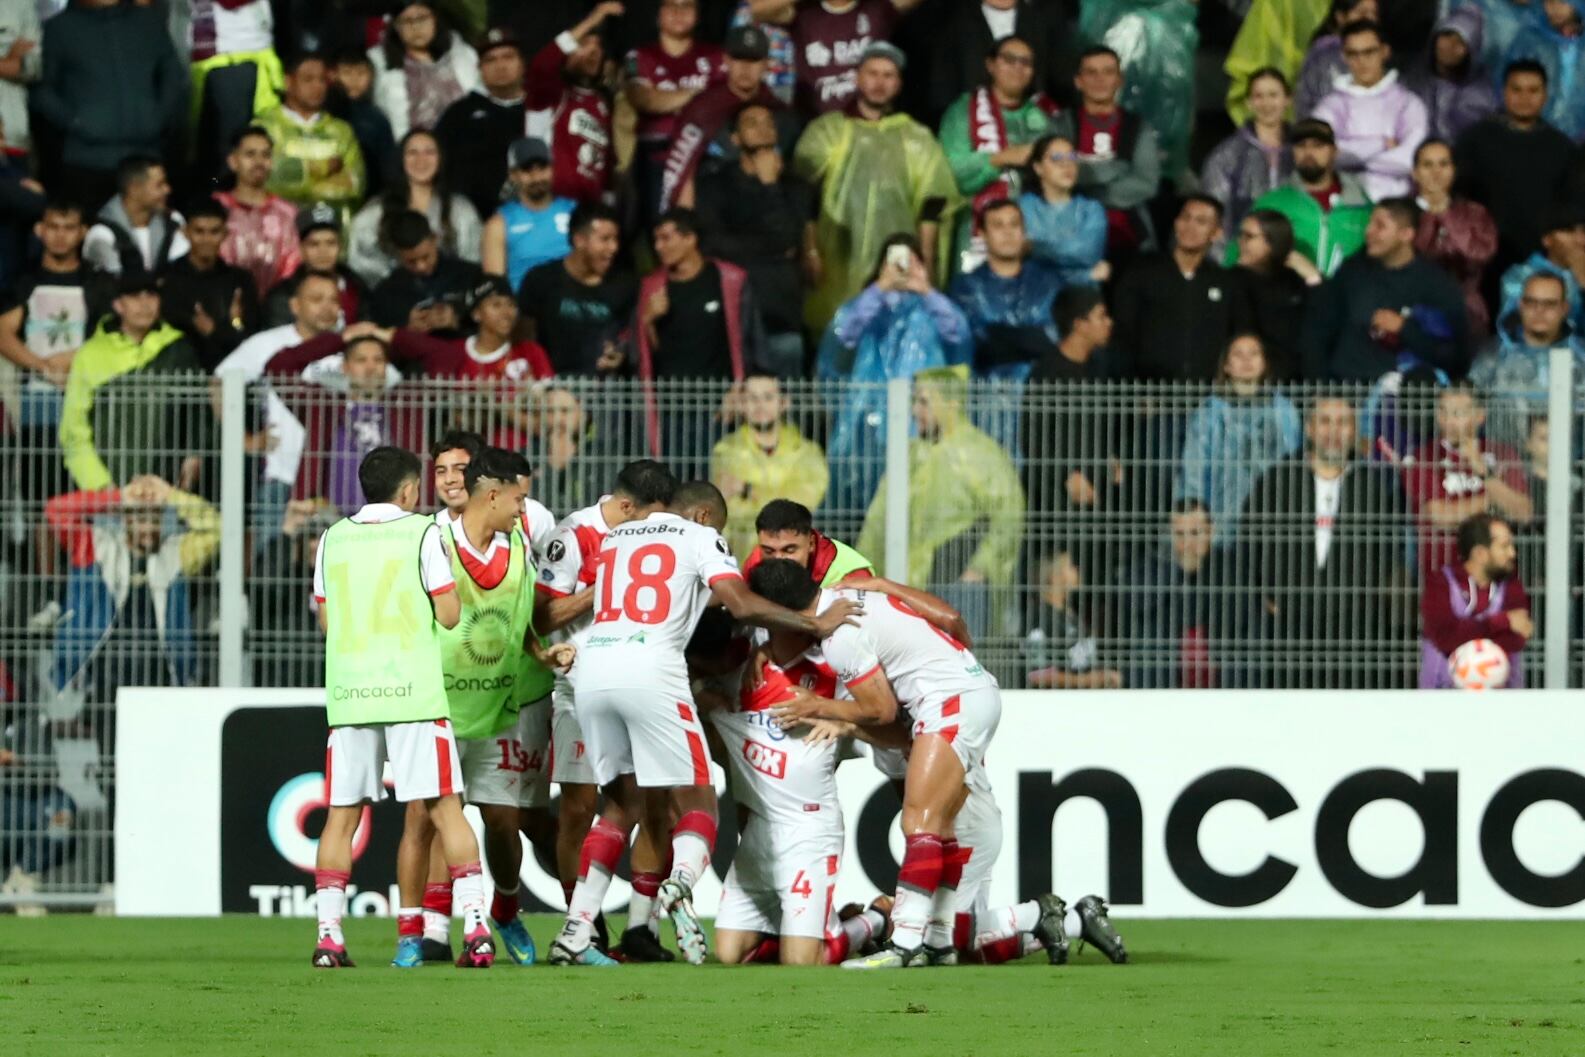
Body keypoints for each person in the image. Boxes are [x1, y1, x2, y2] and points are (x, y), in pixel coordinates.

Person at [548, 481, 860, 967]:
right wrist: (815, 625)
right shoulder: (697, 537)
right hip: (652, 672)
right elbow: (739, 603)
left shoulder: (615, 539)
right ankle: (681, 885)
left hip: (592, 671)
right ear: (701, 516)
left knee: (621, 803)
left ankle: (575, 929)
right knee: (697, 794)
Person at [750, 556, 998, 969]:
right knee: (940, 824)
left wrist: (819, 706)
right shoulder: (846, 596)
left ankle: (904, 943)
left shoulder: (840, 636)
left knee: (918, 821)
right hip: (966, 693)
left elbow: (880, 710)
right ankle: (937, 941)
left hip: (950, 702)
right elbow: (949, 622)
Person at [309, 445, 495, 970]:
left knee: (341, 816)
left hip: (349, 694)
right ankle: (477, 930)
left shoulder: (331, 538)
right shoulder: (423, 533)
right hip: (412, 692)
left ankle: (329, 939)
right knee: (445, 809)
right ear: (410, 490)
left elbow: (326, 621)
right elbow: (450, 612)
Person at [390, 447, 575, 968]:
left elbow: (520, 619)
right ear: (491, 495)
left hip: (497, 708)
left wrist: (542, 650)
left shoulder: (518, 545)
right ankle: (421, 933)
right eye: (517, 499)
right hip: (436, 704)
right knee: (423, 818)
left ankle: (506, 909)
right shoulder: (430, 541)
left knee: (500, 819)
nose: (524, 509)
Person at [531, 461, 686, 963]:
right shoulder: (573, 537)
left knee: (650, 801)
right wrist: (603, 590)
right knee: (578, 806)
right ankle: (584, 924)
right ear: (625, 507)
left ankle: (641, 927)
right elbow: (542, 615)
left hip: (640, 684)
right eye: (645, 518)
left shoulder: (654, 534)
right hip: (580, 687)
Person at [1239, 396, 1412, 689]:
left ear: (1355, 431)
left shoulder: (1371, 484)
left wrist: (1365, 594)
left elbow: (1386, 547)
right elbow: (1251, 538)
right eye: (1325, 422)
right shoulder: (1279, 478)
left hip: (1353, 623)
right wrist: (1262, 590)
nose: (1334, 431)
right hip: (1288, 619)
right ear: (1309, 429)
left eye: (1343, 422)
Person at [794, 41, 957, 331]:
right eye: (872, 73)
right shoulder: (828, 130)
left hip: (898, 259)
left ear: (899, 84)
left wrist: (927, 263)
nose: (879, 83)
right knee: (839, 333)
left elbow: (932, 205)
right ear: (857, 77)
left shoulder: (916, 137)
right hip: (836, 259)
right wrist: (810, 249)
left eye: (888, 75)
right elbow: (805, 193)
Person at [856, 367, 1025, 641]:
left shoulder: (981, 455)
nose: (914, 411)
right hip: (904, 585)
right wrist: (861, 570)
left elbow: (1008, 518)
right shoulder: (910, 454)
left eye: (924, 402)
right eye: (914, 402)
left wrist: (979, 568)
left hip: (955, 584)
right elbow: (878, 519)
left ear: (951, 403)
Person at [817, 236, 971, 512]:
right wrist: (880, 289)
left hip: (921, 420)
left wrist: (926, 291)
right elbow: (842, 336)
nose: (903, 269)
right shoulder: (867, 306)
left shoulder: (932, 309)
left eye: (912, 262)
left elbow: (958, 335)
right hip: (865, 424)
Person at [46, 474, 218, 703]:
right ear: (126, 519)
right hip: (104, 678)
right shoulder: (99, 547)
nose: (149, 528)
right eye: (141, 519)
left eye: (155, 519)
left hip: (159, 677)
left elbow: (217, 527)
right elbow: (55, 510)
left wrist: (170, 495)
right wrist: (118, 497)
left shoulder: (176, 553)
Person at [0, 201, 112, 526]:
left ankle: (82, 571)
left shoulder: (98, 282)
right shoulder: (24, 279)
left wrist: (74, 362)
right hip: (37, 397)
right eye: (53, 227)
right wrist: (41, 366)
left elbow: (110, 336)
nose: (60, 236)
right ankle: (45, 576)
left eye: (68, 228)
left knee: (88, 489)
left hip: (88, 398)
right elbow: (4, 333)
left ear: (83, 233)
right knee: (40, 491)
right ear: (40, 230)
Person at [213, 271, 345, 546]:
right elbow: (220, 382)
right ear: (295, 306)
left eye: (333, 300)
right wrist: (243, 439)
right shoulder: (268, 343)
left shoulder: (350, 348)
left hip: (337, 479)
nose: (327, 307)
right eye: (316, 299)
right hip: (281, 475)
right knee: (271, 567)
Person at [58, 273, 206, 493]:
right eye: (135, 296)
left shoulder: (179, 348)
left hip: (167, 490)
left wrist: (194, 456)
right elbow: (73, 428)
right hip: (108, 490)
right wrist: (100, 484)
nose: (145, 304)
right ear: (118, 304)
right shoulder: (91, 354)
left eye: (151, 295)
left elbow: (197, 411)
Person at [694, 103, 812, 376]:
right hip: (729, 309)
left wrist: (770, 186)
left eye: (769, 123)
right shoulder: (713, 185)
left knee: (782, 401)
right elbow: (713, 244)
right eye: (752, 123)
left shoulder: (795, 186)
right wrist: (770, 249)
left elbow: (788, 238)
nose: (763, 129)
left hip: (779, 310)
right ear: (734, 138)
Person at [33, 0, 186, 211]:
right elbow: (42, 89)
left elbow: (173, 77)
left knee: (149, 239)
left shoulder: (149, 22)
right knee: (91, 239)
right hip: (86, 162)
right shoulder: (59, 28)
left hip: (146, 161)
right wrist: (77, 123)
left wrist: (158, 118)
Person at [1301, 198, 1471, 382]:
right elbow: (1319, 330)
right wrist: (1320, 389)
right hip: (1346, 390)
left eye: (1380, 226)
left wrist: (1405, 328)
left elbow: (1454, 356)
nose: (1368, 231)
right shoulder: (1352, 272)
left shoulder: (1437, 285)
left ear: (1406, 234)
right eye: (1369, 224)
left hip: (1404, 397)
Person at [262, 324, 428, 509]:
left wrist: (394, 337)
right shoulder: (323, 406)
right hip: (332, 523)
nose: (370, 367)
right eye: (361, 360)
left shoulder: (407, 407)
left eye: (378, 360)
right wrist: (339, 340)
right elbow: (277, 367)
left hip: (395, 523)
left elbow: (443, 357)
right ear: (345, 367)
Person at [938, 35, 1063, 274]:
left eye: (1026, 62)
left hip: (1033, 233)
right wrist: (1000, 158)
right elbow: (948, 172)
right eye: (1010, 59)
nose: (1018, 67)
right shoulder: (964, 110)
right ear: (991, 65)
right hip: (975, 234)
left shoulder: (1045, 116)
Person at [1110, 195, 1255, 381]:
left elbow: (1239, 337)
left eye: (1201, 221)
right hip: (1151, 396)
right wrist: (1133, 391)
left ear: (1217, 233)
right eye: (1185, 217)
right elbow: (1122, 335)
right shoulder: (1142, 272)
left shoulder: (1227, 282)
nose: (1189, 226)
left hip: (1208, 398)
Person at [1454, 60, 1577, 278]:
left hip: (1542, 259)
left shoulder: (1562, 148)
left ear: (1545, 95)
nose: (1524, 98)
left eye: (1533, 90)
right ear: (1504, 92)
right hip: (1484, 257)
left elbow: (1569, 208)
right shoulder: (1475, 140)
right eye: (1516, 89)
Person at [1175, 334, 1302, 542]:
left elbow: (1294, 462)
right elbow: (1193, 468)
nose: (1247, 360)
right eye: (1238, 354)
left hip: (1274, 519)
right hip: (1220, 521)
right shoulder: (1209, 412)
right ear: (1226, 366)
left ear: (1264, 363)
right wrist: (1194, 510)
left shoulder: (1284, 411)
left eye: (1254, 354)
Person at [947, 199, 1063, 419]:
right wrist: (1029, 338)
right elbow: (971, 345)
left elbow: (1056, 339)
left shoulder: (1049, 282)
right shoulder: (966, 288)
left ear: (1024, 231)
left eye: (1014, 225)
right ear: (981, 234)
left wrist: (999, 335)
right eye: (998, 226)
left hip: (1041, 403)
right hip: (984, 404)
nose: (1008, 233)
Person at [657, 24, 790, 213]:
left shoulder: (778, 109)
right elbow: (680, 172)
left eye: (753, 60)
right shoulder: (702, 109)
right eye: (738, 58)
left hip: (766, 206)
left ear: (766, 65)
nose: (745, 68)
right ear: (726, 60)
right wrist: (681, 218)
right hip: (716, 207)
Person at [1405, 381, 1531, 576]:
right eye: (1443, 412)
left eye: (1458, 414)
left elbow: (1523, 512)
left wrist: (1483, 471)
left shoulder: (1503, 453)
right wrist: (1496, 501)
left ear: (1479, 416)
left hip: (1498, 573)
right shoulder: (1422, 458)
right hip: (1444, 575)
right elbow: (1442, 516)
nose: (1448, 421)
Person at [1109, 499, 1237, 689]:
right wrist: (1176, 569)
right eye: (1179, 534)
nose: (1187, 543)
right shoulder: (1155, 565)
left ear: (1211, 531)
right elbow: (1135, 603)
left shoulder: (1229, 568)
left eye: (1195, 533)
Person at [710, 374, 829, 560]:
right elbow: (729, 509)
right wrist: (781, 496)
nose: (760, 405)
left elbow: (805, 503)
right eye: (752, 398)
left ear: (784, 403)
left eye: (768, 397)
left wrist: (746, 489)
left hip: (793, 564)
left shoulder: (807, 452)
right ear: (741, 404)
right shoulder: (725, 451)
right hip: (742, 562)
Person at [625, 0, 725, 220]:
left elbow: (725, 100)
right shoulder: (639, 55)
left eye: (687, 6)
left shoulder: (715, 55)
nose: (679, 12)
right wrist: (697, 93)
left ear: (698, 14)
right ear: (658, 13)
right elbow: (645, 99)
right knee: (661, 225)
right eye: (671, 5)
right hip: (657, 152)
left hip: (705, 152)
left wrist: (671, 97)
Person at [1309, 20, 1428, 202]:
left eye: (1369, 52)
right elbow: (1321, 154)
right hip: (1342, 203)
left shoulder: (1409, 104)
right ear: (1343, 57)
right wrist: (1379, 144)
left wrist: (1354, 162)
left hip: (1398, 204)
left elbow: (1411, 158)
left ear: (1384, 52)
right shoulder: (1329, 106)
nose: (1361, 61)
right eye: (1353, 54)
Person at [350, 129, 483, 286]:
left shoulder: (460, 209)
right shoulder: (376, 212)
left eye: (430, 152)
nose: (421, 160)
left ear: (440, 159)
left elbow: (473, 260)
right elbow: (360, 261)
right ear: (400, 159)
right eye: (412, 153)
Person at [516, 202, 635, 376]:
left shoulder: (626, 285)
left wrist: (620, 352)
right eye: (605, 239)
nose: (614, 247)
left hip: (604, 395)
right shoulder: (541, 280)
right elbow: (524, 340)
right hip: (551, 392)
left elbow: (629, 336)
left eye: (616, 239)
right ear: (579, 240)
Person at [1472, 269, 1585, 446]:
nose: (1539, 311)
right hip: (1503, 464)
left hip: (1570, 468)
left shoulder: (1581, 356)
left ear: (1565, 308)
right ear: (1521, 305)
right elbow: (1469, 408)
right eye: (1532, 302)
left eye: (1549, 304)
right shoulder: (1492, 355)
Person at [1248, 118, 1371, 280]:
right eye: (1301, 146)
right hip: (1286, 299)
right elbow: (1240, 257)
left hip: (1346, 301)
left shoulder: (1363, 207)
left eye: (1318, 146)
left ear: (1334, 151)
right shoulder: (1271, 204)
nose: (1309, 153)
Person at [1068, 45, 1160, 258]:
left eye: (1108, 72)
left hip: (1127, 238)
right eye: (1091, 72)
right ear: (1078, 81)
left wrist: (1087, 187)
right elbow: (1056, 166)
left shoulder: (1138, 128)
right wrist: (1117, 169)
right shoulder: (1061, 125)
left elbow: (1146, 183)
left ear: (1120, 80)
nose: (1100, 79)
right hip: (1070, 234)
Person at [1420, 513, 1531, 688]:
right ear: (1480, 553)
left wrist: (1465, 632)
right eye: (1504, 546)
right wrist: (1503, 621)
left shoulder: (1512, 586)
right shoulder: (1440, 583)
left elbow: (1516, 639)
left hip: (1502, 698)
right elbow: (1444, 637)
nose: (1512, 553)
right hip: (1442, 697)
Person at [526, 3, 619, 205]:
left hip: (588, 215)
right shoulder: (551, 94)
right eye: (584, 44)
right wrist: (593, 20)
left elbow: (607, 168)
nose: (593, 52)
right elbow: (541, 65)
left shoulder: (603, 103)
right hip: (550, 206)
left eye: (598, 47)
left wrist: (608, 209)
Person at [433, 26, 530, 220]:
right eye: (490, 60)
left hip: (536, 216)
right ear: (480, 68)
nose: (500, 66)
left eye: (508, 57)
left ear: (522, 64)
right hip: (474, 220)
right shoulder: (459, 114)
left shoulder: (541, 108)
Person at [255, 53, 366, 218]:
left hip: (329, 231)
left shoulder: (341, 131)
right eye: (308, 80)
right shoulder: (265, 128)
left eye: (322, 80)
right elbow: (266, 179)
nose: (317, 86)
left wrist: (296, 181)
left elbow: (355, 185)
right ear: (287, 82)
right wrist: (322, 168)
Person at [157, 201, 260, 374]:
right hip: (177, 377)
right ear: (185, 232)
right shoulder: (167, 280)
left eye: (214, 232)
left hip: (230, 376)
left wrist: (216, 331)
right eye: (199, 231)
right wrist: (231, 328)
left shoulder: (240, 280)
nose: (206, 240)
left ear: (225, 234)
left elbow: (251, 338)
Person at [1411, 139, 1498, 336]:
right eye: (1428, 165)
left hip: (1466, 312)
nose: (1436, 172)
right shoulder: (1401, 213)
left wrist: (1446, 215)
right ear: (1415, 173)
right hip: (1413, 311)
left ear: (1454, 171)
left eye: (1444, 164)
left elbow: (1480, 255)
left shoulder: (1475, 213)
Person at [1201, 67, 1293, 244]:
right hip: (1243, 253)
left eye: (1273, 95)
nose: (1266, 104)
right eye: (1258, 96)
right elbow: (1214, 213)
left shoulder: (1302, 150)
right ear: (1249, 103)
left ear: (1287, 100)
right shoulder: (1227, 154)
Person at [368, 1, 480, 140]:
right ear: (396, 26)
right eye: (407, 21)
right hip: (415, 151)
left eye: (422, 18)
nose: (416, 27)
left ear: (435, 19)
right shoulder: (378, 63)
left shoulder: (462, 54)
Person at [788, 0, 920, 117]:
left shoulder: (877, 9)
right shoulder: (803, 13)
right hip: (813, 120)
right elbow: (767, 11)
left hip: (871, 120)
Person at [215, 126, 302, 296]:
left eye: (265, 155)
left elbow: (294, 264)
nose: (259, 162)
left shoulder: (288, 213)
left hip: (277, 306)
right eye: (250, 154)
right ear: (233, 161)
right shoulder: (216, 207)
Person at [481, 138, 574, 292]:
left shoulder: (574, 211)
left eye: (542, 168)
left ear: (552, 168)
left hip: (571, 306)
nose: (537, 178)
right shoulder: (498, 224)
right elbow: (495, 287)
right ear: (512, 174)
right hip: (524, 311)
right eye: (527, 170)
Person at [366, 211, 484, 331]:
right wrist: (406, 329)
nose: (421, 266)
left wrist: (458, 321)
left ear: (434, 239)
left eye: (426, 257)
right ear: (397, 254)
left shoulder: (470, 276)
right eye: (411, 261)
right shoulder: (386, 294)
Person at [1018, 133, 1107, 287]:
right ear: (1038, 168)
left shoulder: (1092, 210)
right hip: (1035, 295)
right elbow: (1023, 264)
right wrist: (1086, 275)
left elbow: (1086, 253)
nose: (1067, 165)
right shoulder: (1024, 207)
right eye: (1057, 158)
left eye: (1072, 157)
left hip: (1082, 300)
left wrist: (1035, 247)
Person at [1230, 209, 1311, 377]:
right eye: (1241, 235)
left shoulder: (1295, 280)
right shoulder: (1229, 280)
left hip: (1292, 381)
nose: (1241, 242)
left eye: (1249, 236)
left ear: (1273, 242)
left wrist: (1313, 278)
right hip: (1246, 380)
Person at [261, 203, 368, 328]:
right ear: (301, 249)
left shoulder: (357, 288)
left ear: (340, 247)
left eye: (331, 243)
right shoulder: (283, 296)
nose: (323, 252)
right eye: (314, 244)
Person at [82, 157, 189, 278]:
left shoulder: (174, 221)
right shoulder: (102, 233)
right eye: (159, 185)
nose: (167, 190)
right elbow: (113, 285)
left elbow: (184, 274)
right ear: (134, 189)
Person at [1404, 8, 1498, 143]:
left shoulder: (1482, 97)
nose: (1451, 46)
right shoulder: (1411, 80)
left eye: (1461, 42)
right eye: (1446, 35)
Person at [1502, 0, 1585, 140]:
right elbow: (1509, 88)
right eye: (1549, 2)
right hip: (1531, 137)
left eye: (1562, 2)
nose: (1554, 8)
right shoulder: (1529, 41)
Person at [1498, 202, 1585, 335]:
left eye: (1584, 231)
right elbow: (1517, 333)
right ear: (1547, 239)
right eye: (1569, 231)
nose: (1581, 240)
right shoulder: (1520, 277)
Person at [327, 48, 398, 201]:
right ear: (333, 75)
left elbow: (387, 164)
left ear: (371, 76)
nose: (354, 80)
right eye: (347, 73)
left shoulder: (376, 118)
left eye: (361, 73)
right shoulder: (324, 113)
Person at [1293, 0, 1378, 117]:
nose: (1369, 19)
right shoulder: (1323, 55)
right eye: (1362, 13)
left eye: (1374, 13)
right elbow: (1305, 104)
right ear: (1341, 17)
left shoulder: (1386, 53)